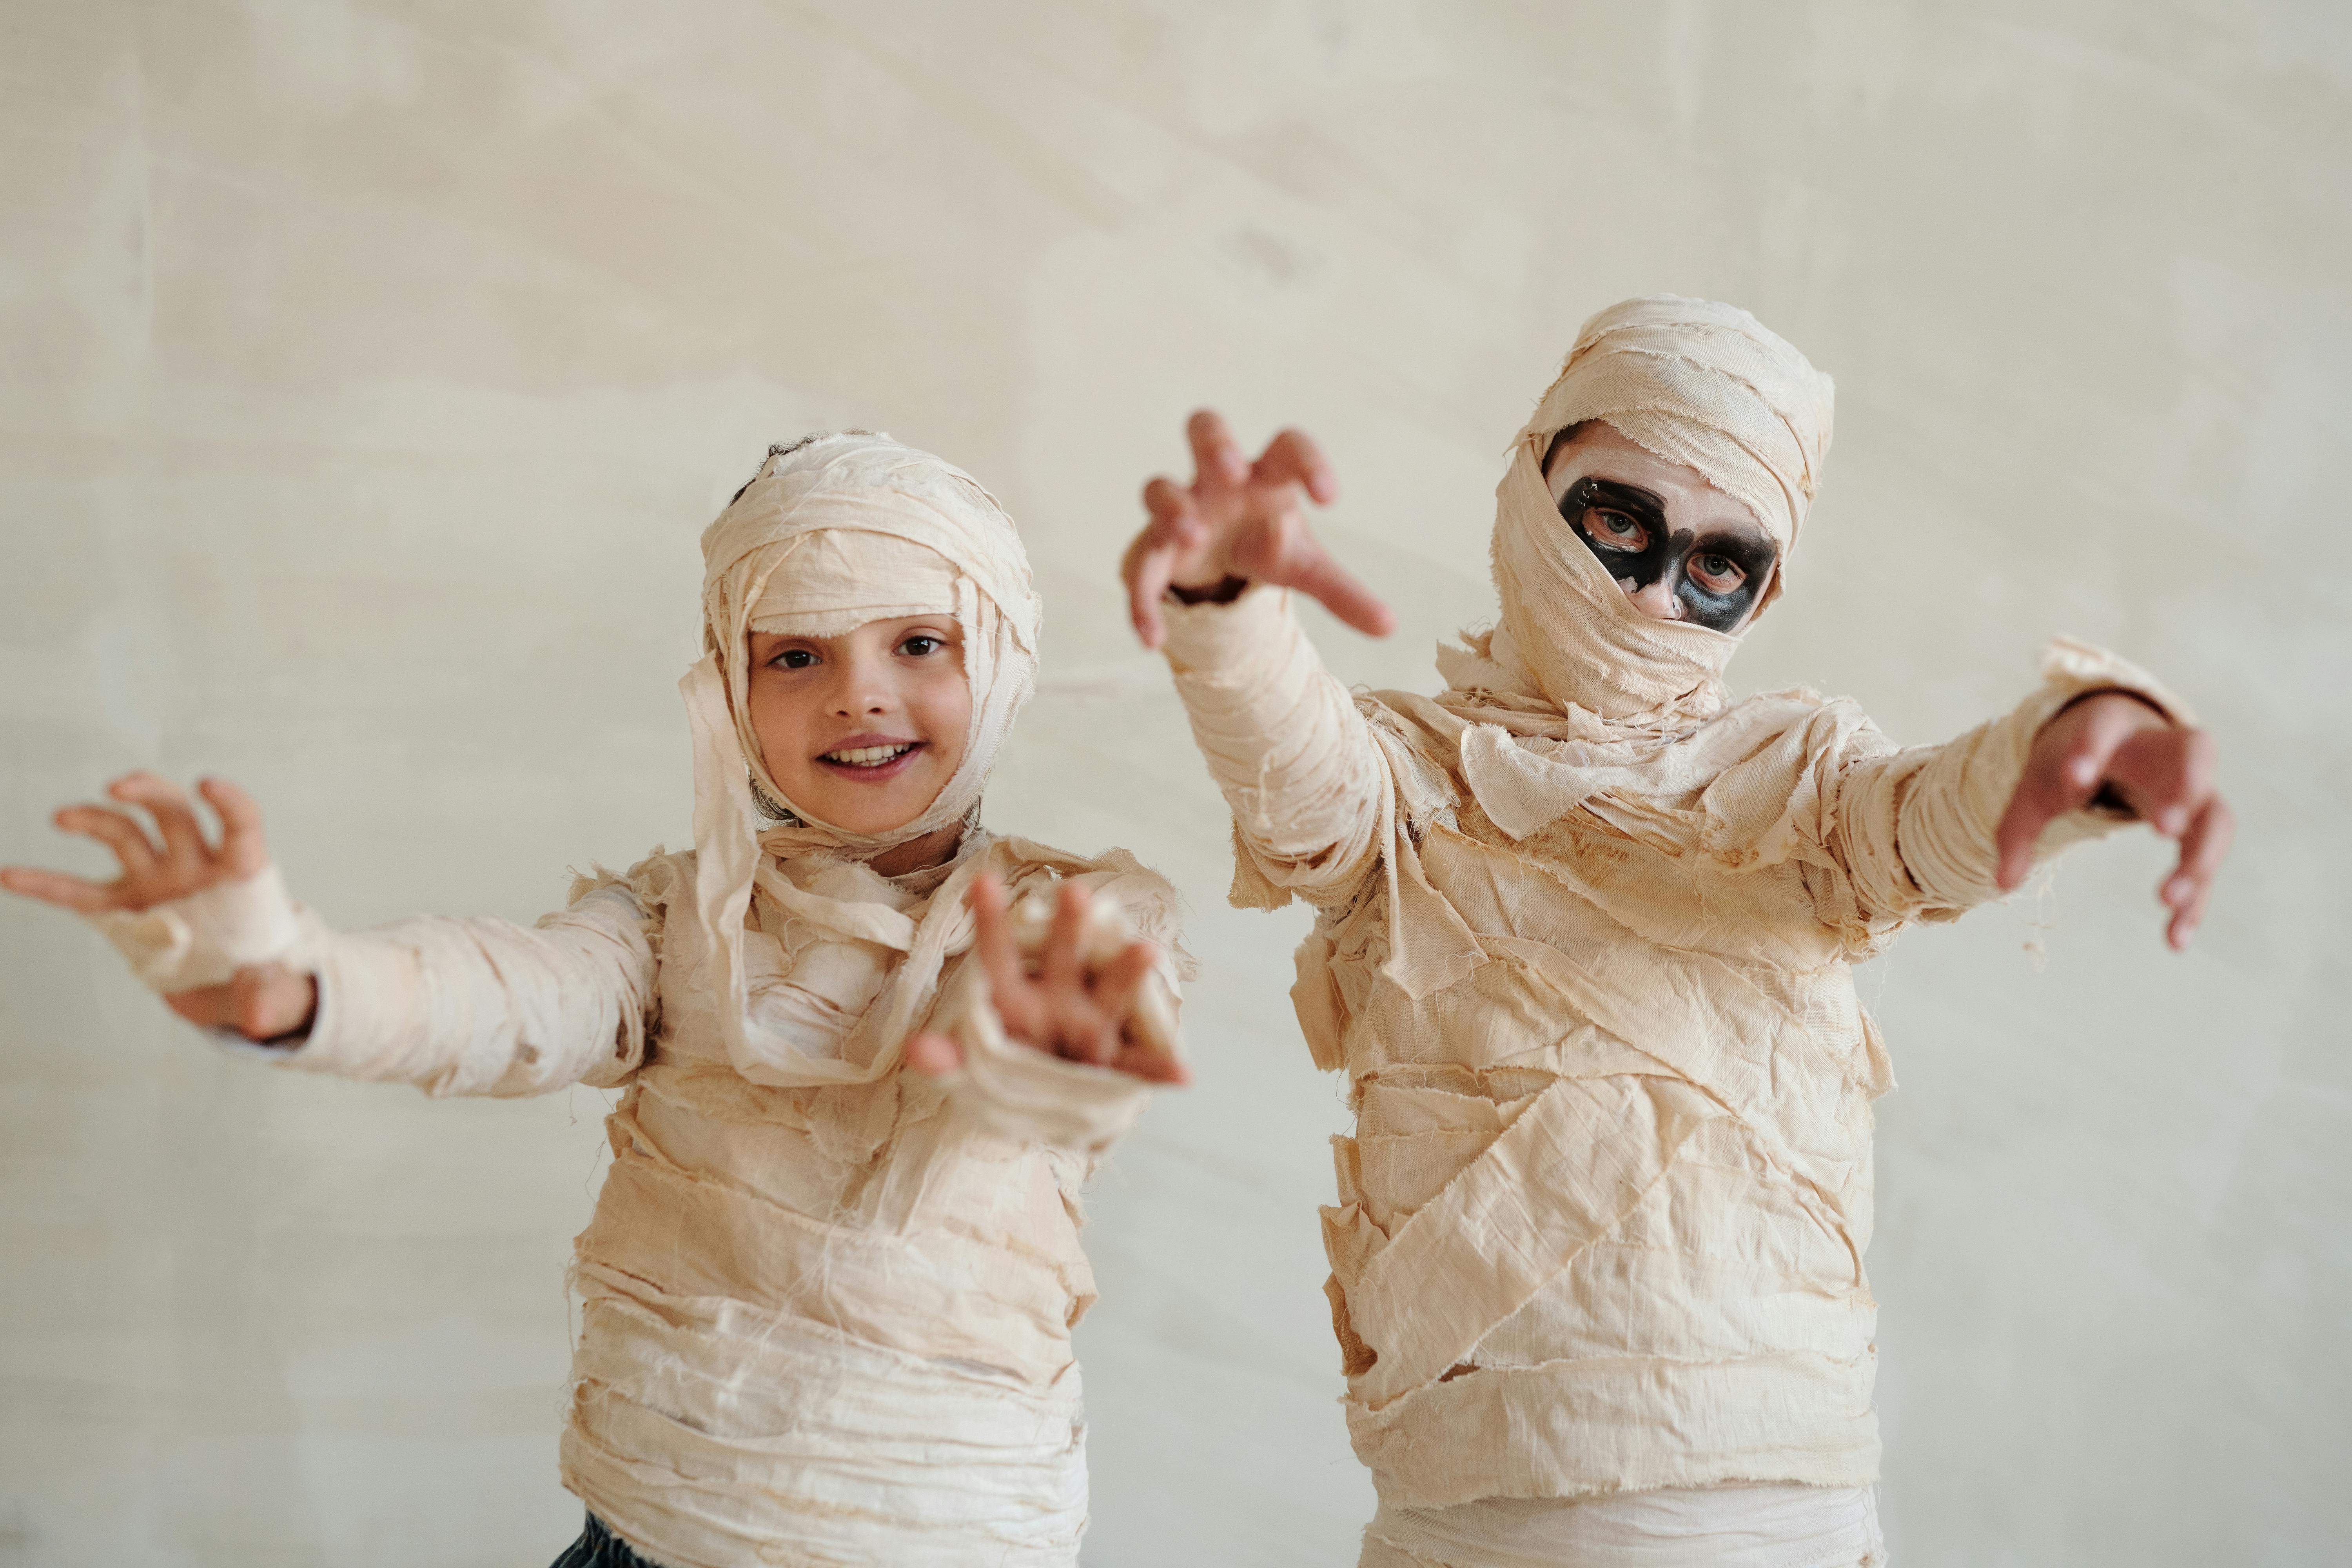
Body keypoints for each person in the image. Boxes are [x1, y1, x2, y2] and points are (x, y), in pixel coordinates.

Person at [1118, 297, 2230, 1567]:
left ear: (1764, 587)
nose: (1653, 597)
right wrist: (1228, 610)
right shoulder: (1412, 779)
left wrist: (2078, 745)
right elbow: (1303, 789)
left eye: (1715, 565)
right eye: (1617, 524)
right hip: (1468, 1520)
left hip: (1775, 1506)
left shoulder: (1798, 780)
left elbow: (1925, 819)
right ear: (1532, 493)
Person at [3, 432, 1189, 1568]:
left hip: (953, 1535)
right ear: (728, 687)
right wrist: (295, 981)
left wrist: (1056, 1055)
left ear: (1008, 654)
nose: (858, 696)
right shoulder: (674, 920)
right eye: (796, 656)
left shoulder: (1084, 918)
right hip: (647, 1533)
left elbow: (1085, 1047)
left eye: (919, 642)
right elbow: (512, 995)